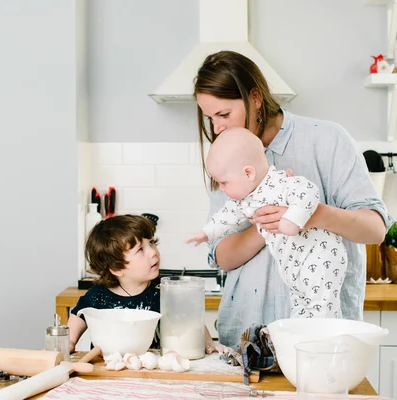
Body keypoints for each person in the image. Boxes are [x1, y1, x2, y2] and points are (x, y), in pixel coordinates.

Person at [193, 50, 391, 348]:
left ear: (255, 97)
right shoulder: (225, 156)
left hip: (323, 337)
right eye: (210, 118)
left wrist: (309, 215)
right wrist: (266, 221)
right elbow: (223, 257)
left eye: (223, 114)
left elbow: (375, 229)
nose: (218, 127)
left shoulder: (326, 139)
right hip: (247, 334)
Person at [186, 127, 347, 318]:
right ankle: (300, 337)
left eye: (224, 183)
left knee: (321, 308)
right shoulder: (246, 199)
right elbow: (225, 216)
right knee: (300, 307)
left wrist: (291, 219)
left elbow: (309, 191)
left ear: (248, 173)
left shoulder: (281, 183)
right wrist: (206, 233)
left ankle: (321, 340)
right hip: (293, 266)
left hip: (320, 256)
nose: (221, 189)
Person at [68, 214, 227, 355]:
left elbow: (191, 321)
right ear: (117, 268)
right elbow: (78, 315)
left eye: (151, 243)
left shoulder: (164, 290)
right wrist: (71, 341)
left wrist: (207, 342)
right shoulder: (99, 295)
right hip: (109, 369)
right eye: (140, 250)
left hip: (155, 367)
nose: (153, 252)